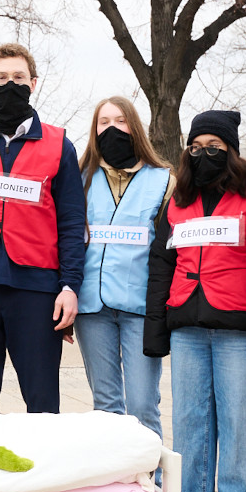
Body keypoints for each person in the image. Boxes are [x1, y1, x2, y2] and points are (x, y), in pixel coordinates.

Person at [145, 110, 246, 492]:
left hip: (238, 327)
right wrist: (157, 328)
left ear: (231, 151)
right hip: (187, 323)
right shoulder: (177, 203)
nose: (203, 153)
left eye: (214, 146)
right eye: (196, 146)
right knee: (189, 418)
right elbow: (161, 266)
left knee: (241, 418)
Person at [0, 42, 86, 413]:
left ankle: (46, 470)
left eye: (18, 77)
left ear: (34, 82)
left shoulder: (60, 144)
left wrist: (70, 285)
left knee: (42, 402)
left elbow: (73, 221)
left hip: (37, 287)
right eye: (1, 77)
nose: (10, 84)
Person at [75, 96, 171, 437]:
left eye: (120, 121)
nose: (112, 129)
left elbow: (167, 251)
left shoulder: (163, 180)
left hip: (140, 309)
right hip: (91, 307)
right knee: (106, 405)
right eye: (104, 122)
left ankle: (151, 481)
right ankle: (115, 485)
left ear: (134, 126)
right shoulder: (78, 177)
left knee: (143, 404)